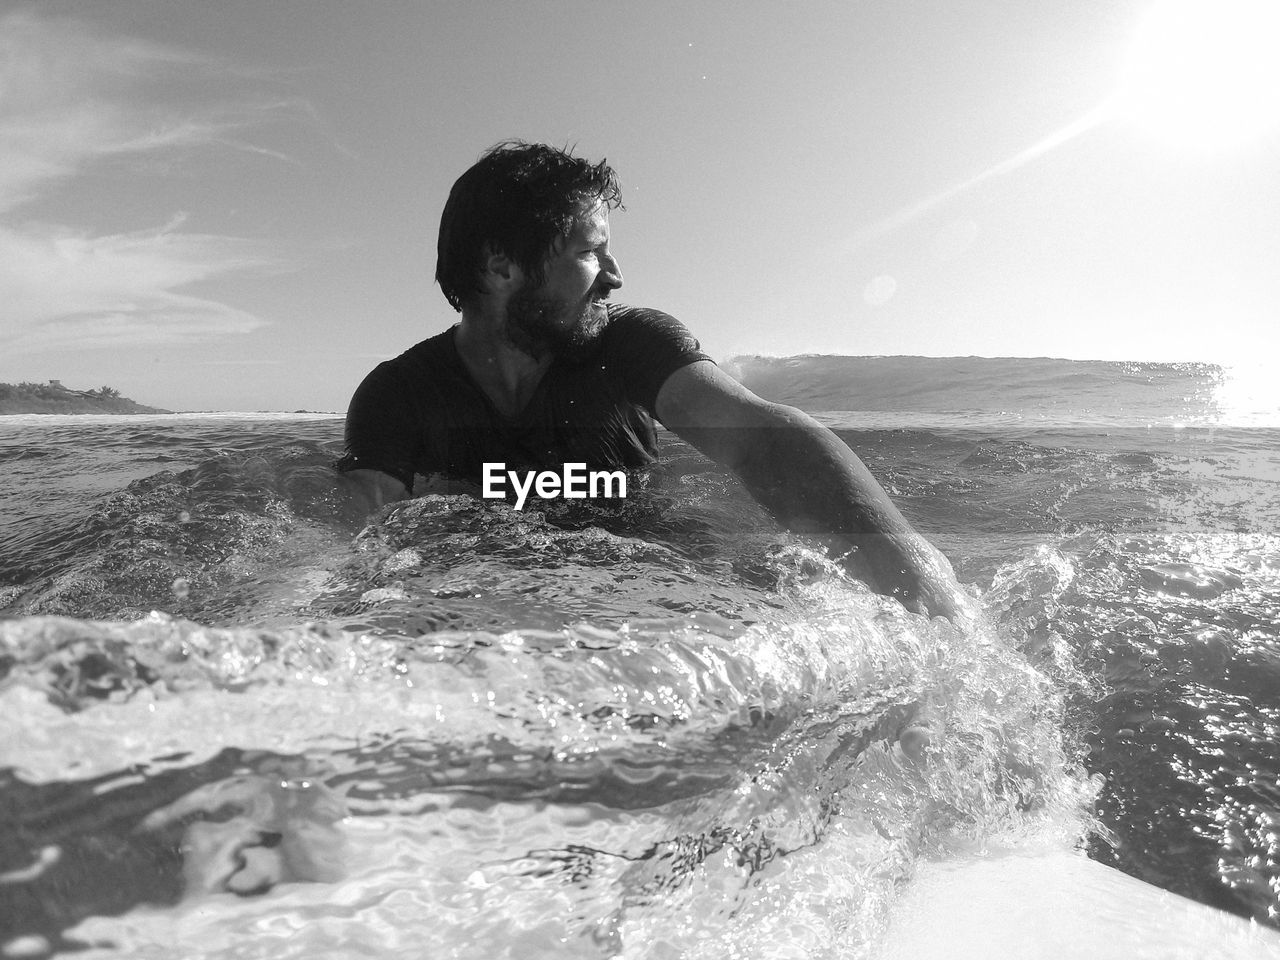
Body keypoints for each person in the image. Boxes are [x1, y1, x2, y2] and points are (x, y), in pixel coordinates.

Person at [338, 141, 966, 621]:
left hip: (653, 584)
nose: (614, 274)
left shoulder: (629, 344)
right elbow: (364, 540)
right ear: (501, 268)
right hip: (492, 594)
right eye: (590, 252)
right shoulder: (398, 394)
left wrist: (929, 597)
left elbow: (761, 439)